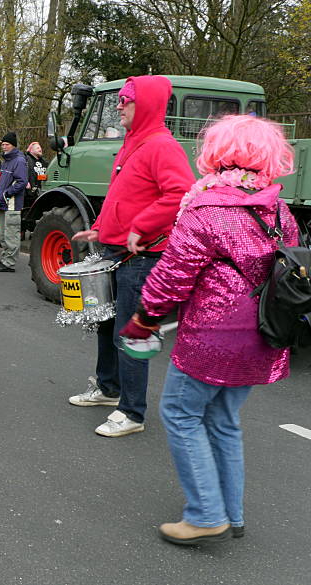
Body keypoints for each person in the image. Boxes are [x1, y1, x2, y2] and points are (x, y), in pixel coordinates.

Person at [120, 115, 297, 544]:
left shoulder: (206, 208)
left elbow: (171, 277)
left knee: (180, 414)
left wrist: (144, 321)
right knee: (224, 419)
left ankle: (204, 514)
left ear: (216, 153)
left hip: (212, 338)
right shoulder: (277, 209)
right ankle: (230, 513)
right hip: (265, 334)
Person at [69, 75, 195, 437]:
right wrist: (102, 229)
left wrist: (141, 225)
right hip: (114, 251)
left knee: (132, 332)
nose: (119, 105)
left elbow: (180, 194)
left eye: (126, 99)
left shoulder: (161, 146)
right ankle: (109, 389)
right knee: (106, 324)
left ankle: (133, 413)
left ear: (148, 104)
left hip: (141, 260)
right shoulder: (132, 143)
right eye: (120, 99)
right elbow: (124, 198)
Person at [0, 132, 27, 272]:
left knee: (11, 235)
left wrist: (7, 194)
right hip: (3, 204)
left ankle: (9, 263)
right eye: (3, 144)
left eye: (7, 144)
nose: (4, 147)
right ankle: (5, 259)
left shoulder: (19, 160)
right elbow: (1, 185)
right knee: (3, 235)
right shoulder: (6, 161)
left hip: (12, 204)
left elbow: (22, 182)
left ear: (13, 145)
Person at [24, 141, 48, 206]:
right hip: (29, 195)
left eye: (40, 148)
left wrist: (43, 177)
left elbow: (44, 176)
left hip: (42, 193)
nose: (40, 149)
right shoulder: (26, 160)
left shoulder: (44, 162)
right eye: (37, 148)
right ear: (31, 150)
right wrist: (25, 181)